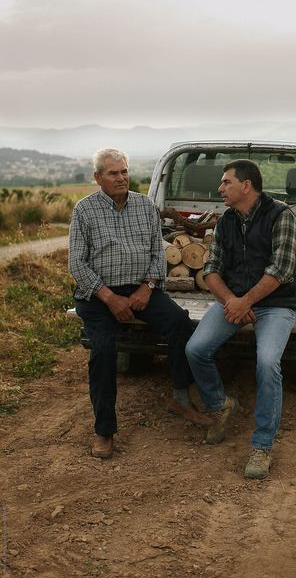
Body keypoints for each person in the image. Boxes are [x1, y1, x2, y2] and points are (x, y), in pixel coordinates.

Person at [69, 148, 211, 459]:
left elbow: (156, 253)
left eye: (123, 172)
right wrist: (109, 297)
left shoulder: (145, 205)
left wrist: (147, 288)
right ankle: (104, 430)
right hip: (98, 296)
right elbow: (77, 264)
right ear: (98, 178)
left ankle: (180, 398)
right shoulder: (85, 210)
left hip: (140, 289)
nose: (120, 178)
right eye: (112, 173)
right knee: (104, 350)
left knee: (180, 324)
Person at [185, 159, 296, 479]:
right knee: (195, 349)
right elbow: (210, 270)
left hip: (275, 304)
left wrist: (245, 301)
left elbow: (281, 271)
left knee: (266, 362)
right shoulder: (226, 221)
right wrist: (233, 302)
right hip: (234, 301)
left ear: (245, 186)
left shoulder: (282, 217)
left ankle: (262, 446)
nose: (220, 188)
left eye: (226, 182)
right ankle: (221, 404)